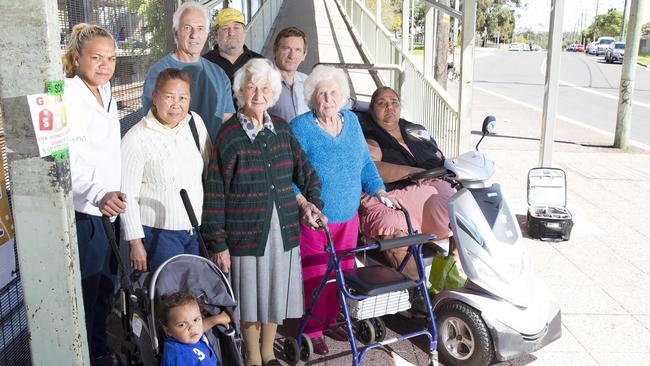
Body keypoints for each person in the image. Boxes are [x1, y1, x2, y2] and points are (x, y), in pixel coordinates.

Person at [202, 58, 325, 366]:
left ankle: (269, 352)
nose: (259, 94)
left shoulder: (281, 129)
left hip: (282, 231)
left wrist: (312, 203)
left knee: (272, 297)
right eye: (252, 87)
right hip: (245, 233)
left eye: (266, 88)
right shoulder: (228, 135)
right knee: (250, 301)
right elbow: (215, 192)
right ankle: (253, 355)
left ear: (274, 93)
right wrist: (218, 243)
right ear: (240, 91)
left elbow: (307, 173)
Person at [289, 66, 398, 355]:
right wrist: (303, 204)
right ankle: (312, 329)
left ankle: (331, 318)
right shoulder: (300, 128)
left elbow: (364, 163)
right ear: (312, 97)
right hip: (316, 219)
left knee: (344, 271)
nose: (327, 98)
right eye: (321, 93)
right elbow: (286, 176)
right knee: (316, 273)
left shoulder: (350, 121)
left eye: (333, 92)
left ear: (343, 95)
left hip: (349, 216)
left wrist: (379, 190)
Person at [63, 23, 126, 366]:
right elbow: (64, 157)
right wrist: (98, 191)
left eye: (111, 58)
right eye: (96, 58)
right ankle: (85, 356)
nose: (105, 65)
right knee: (85, 296)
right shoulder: (66, 94)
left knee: (105, 290)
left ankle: (99, 350)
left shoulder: (107, 91)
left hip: (109, 210)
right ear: (77, 58)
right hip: (86, 211)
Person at [359, 87, 455, 280]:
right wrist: (412, 172)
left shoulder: (414, 129)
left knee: (463, 207)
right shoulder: (369, 134)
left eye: (394, 102)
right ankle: (420, 291)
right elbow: (371, 168)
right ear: (371, 108)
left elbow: (439, 156)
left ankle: (453, 273)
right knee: (391, 225)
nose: (389, 108)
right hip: (392, 197)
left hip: (432, 194)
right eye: (382, 103)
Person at [121, 68, 210, 273]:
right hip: (159, 235)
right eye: (169, 97)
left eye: (182, 98)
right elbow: (127, 197)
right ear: (154, 97)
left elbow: (208, 173)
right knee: (169, 299)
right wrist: (135, 243)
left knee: (193, 297)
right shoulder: (136, 138)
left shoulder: (195, 123)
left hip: (195, 230)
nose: (176, 105)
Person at [141, 1, 235, 142]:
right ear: (175, 32)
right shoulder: (158, 73)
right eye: (187, 28)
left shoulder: (219, 74)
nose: (194, 35)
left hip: (213, 159)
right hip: (174, 158)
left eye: (200, 28)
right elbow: (151, 126)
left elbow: (228, 121)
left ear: (206, 33)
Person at [158, 292, 231, 366]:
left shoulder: (184, 337)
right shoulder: (179, 356)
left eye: (196, 320)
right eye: (182, 325)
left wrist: (218, 319)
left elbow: (200, 327)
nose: (192, 327)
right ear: (168, 330)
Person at [268, 26, 309, 121]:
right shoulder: (262, 81)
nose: (292, 56)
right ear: (275, 50)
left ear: (304, 55)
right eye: (286, 48)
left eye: (298, 50)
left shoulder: (307, 81)